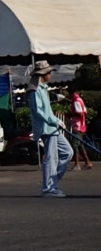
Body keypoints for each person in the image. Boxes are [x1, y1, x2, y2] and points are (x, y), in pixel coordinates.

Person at [28, 60, 72, 197]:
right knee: (51, 158)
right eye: (49, 73)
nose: (50, 75)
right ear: (43, 74)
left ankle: (52, 182)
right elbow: (38, 111)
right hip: (46, 128)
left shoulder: (44, 88)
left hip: (53, 127)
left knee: (68, 152)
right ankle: (48, 188)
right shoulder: (34, 90)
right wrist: (55, 120)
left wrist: (56, 121)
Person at [68, 83, 93, 170]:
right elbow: (85, 111)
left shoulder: (76, 101)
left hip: (77, 125)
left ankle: (77, 164)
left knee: (74, 144)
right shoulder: (80, 100)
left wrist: (71, 114)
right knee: (80, 144)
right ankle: (87, 161)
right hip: (82, 125)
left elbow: (80, 113)